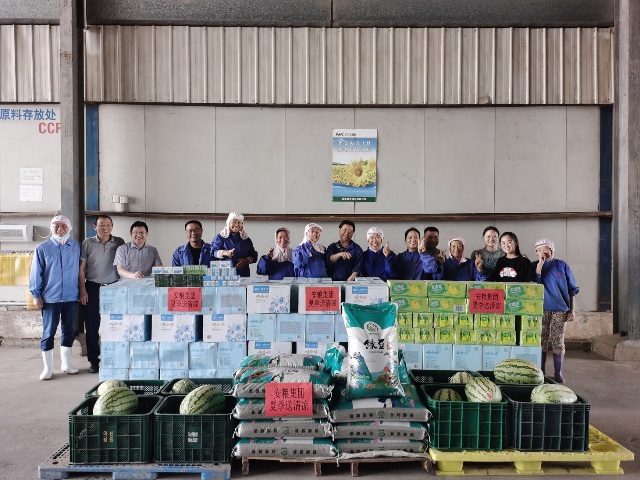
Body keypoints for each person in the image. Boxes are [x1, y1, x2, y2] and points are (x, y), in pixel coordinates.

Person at [29, 215, 81, 380]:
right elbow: (36, 273)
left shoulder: (76, 246)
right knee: (49, 332)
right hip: (50, 298)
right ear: (51, 228)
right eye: (56, 226)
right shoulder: (42, 248)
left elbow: (81, 270)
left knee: (69, 330)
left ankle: (67, 364)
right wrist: (36, 295)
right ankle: (48, 368)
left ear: (69, 227)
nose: (60, 229)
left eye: (63, 226)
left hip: (71, 296)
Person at [79, 215, 125, 373]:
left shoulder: (119, 242)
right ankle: (94, 360)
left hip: (114, 288)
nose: (105, 227)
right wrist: (82, 290)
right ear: (95, 227)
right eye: (101, 225)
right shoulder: (87, 243)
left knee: (116, 324)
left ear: (112, 226)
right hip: (93, 288)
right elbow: (82, 268)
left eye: (108, 224)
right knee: (92, 325)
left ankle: (115, 358)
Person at [533, 238, 579, 383]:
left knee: (558, 340)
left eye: (546, 249)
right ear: (536, 252)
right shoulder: (534, 266)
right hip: (540, 309)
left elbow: (572, 289)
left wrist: (572, 309)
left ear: (552, 250)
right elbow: (534, 285)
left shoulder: (562, 265)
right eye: (539, 250)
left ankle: (558, 372)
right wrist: (540, 266)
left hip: (560, 309)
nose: (543, 252)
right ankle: (541, 371)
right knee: (541, 340)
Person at [211, 212, 258, 277]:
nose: (236, 225)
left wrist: (246, 260)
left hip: (243, 275)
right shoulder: (220, 238)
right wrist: (225, 253)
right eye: (234, 222)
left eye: (239, 222)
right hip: (225, 275)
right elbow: (213, 253)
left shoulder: (246, 239)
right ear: (228, 223)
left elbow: (254, 255)